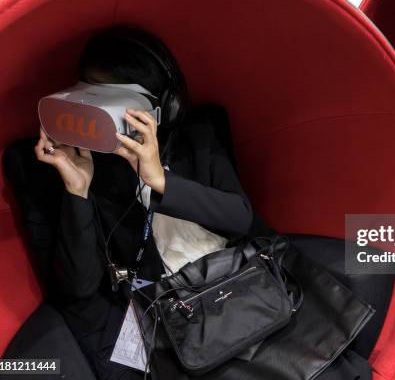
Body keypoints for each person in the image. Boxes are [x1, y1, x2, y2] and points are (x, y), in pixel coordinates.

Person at [33, 28, 254, 379]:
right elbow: (79, 286)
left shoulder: (198, 137)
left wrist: (160, 181)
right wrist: (77, 190)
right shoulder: (92, 162)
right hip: (164, 306)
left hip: (229, 279)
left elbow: (240, 220)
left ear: (164, 106)